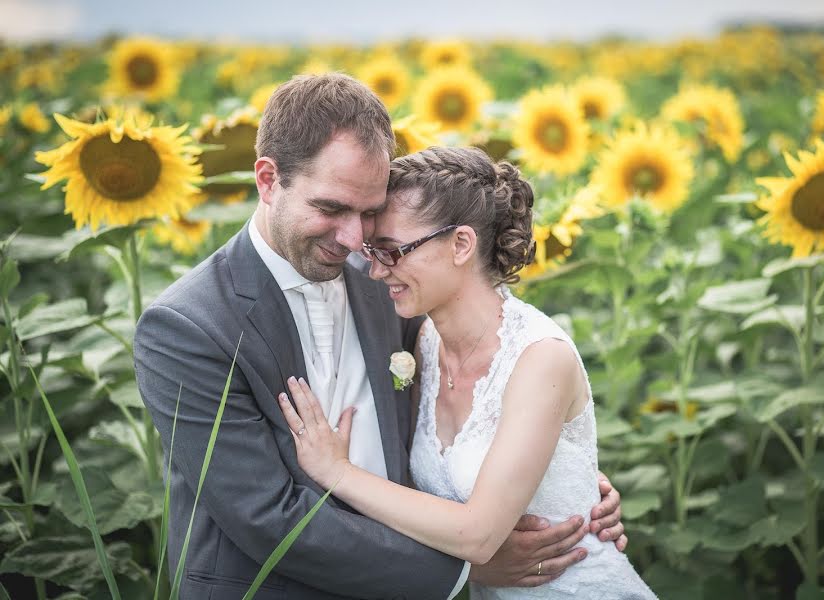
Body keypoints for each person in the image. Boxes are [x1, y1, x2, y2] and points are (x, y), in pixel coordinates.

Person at [134, 73, 626, 600]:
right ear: (268, 179)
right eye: (330, 208)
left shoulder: (392, 285)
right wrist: (464, 570)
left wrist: (565, 488)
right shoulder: (187, 327)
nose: (352, 239)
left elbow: (479, 389)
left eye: (369, 213)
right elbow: (265, 516)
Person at [276, 146, 658, 599]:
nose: (376, 271)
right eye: (371, 252)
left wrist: (337, 472)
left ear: (461, 244)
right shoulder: (425, 345)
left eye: (393, 251)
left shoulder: (541, 358)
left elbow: (478, 535)